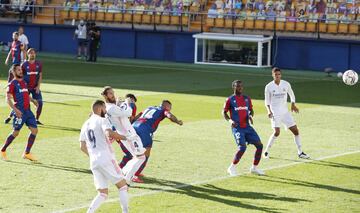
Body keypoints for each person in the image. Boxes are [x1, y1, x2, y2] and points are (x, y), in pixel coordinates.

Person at [79, 100, 129, 213]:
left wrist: (93, 155)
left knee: (102, 193)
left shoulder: (85, 124)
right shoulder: (102, 120)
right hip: (106, 158)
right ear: (100, 108)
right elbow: (109, 133)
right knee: (123, 186)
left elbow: (82, 146)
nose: (106, 111)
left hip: (93, 161)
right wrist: (126, 137)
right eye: (105, 109)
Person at [101, 86, 146, 185]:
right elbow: (128, 113)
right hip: (129, 136)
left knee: (137, 157)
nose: (113, 95)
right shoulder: (111, 108)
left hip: (127, 134)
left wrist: (118, 103)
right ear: (105, 95)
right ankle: (126, 179)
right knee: (141, 157)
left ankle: (122, 174)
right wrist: (128, 103)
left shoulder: (110, 107)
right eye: (110, 93)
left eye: (113, 93)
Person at [131, 100, 183, 183]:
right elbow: (169, 115)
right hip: (144, 130)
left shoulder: (150, 107)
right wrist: (178, 121)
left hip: (134, 126)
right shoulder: (164, 111)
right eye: (170, 107)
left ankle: (133, 170)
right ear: (167, 106)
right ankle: (135, 175)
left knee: (136, 151)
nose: (170, 109)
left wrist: (130, 125)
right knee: (146, 153)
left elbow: (139, 115)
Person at [263, 67, 310, 159]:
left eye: (279, 74)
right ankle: (266, 152)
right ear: (273, 75)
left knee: (296, 131)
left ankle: (300, 152)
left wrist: (293, 104)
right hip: (275, 112)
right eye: (275, 74)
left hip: (285, 112)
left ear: (281, 75)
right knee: (277, 132)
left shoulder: (286, 84)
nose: (277, 76)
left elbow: (292, 94)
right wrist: (269, 111)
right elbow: (267, 101)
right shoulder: (269, 86)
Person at [223, 80, 264, 176]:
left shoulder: (247, 99)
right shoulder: (230, 99)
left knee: (260, 145)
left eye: (241, 86)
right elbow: (224, 112)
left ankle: (254, 168)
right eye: (238, 86)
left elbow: (251, 110)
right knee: (242, 147)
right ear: (233, 87)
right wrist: (230, 121)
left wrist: (250, 115)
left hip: (247, 127)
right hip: (237, 128)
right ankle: (231, 167)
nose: (240, 88)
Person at [0, 64, 38, 162]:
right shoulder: (12, 84)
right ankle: (3, 150)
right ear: (14, 72)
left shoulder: (24, 82)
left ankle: (27, 153)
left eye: (21, 69)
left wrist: (33, 100)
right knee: (16, 133)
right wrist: (15, 110)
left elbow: (25, 94)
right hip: (19, 111)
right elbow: (7, 99)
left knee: (34, 130)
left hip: (28, 111)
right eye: (18, 70)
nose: (21, 71)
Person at [5, 48, 43, 125]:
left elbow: (40, 75)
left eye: (33, 53)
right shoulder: (24, 64)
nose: (32, 54)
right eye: (30, 53)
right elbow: (18, 74)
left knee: (40, 103)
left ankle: (36, 119)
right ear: (27, 54)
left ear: (35, 54)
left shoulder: (39, 64)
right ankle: (10, 116)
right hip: (25, 87)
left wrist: (38, 86)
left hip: (35, 87)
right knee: (21, 104)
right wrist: (13, 83)